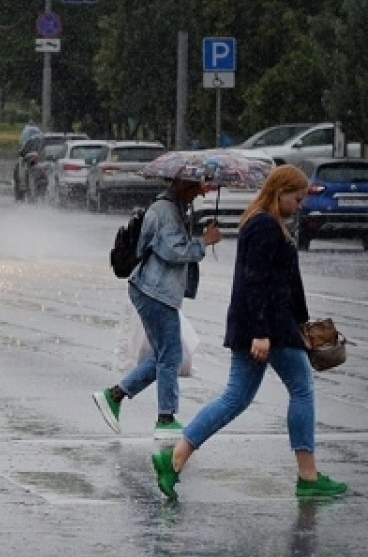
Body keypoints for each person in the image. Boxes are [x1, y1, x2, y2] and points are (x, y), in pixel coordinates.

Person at [152, 166, 348, 501]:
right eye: (297, 198)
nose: (299, 205)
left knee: (236, 398)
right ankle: (308, 476)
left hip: (268, 325)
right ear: (280, 191)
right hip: (267, 327)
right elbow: (255, 283)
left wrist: (300, 321)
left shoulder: (267, 223)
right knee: (301, 390)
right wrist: (261, 332)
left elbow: (280, 281)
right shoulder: (263, 225)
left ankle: (175, 457)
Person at [92, 175, 222, 437]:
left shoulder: (174, 208)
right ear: (184, 184)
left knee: (164, 356)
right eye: (198, 187)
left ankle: (114, 396)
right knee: (171, 355)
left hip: (155, 290)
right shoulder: (165, 210)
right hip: (154, 291)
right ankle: (165, 419)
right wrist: (204, 241)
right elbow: (174, 251)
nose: (201, 193)